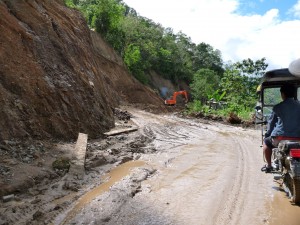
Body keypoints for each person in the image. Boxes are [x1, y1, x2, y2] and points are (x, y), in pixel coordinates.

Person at [261, 84, 300, 173]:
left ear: (283, 94)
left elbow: (271, 124)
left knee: (266, 142)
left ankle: (269, 165)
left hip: (280, 138)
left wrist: (268, 134)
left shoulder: (277, 107)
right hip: (298, 139)